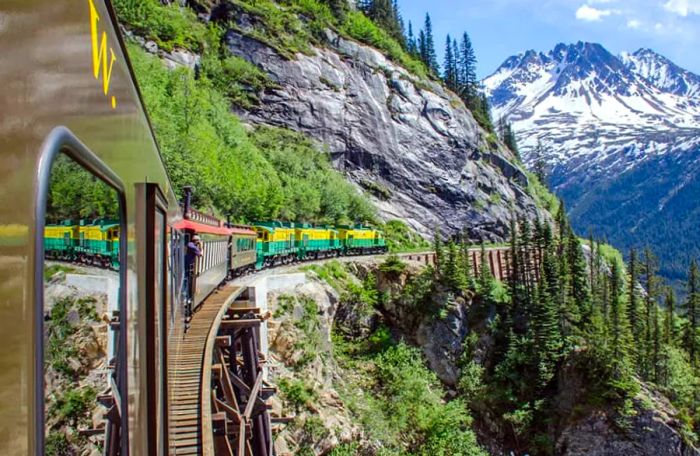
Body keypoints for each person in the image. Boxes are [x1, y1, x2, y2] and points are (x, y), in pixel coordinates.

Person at [183, 234, 203, 323]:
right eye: (198, 241)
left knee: (187, 282)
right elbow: (201, 254)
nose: (198, 243)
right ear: (196, 241)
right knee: (186, 283)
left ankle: (186, 298)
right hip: (186, 269)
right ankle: (185, 298)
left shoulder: (191, 245)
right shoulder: (191, 245)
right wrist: (201, 247)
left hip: (187, 269)